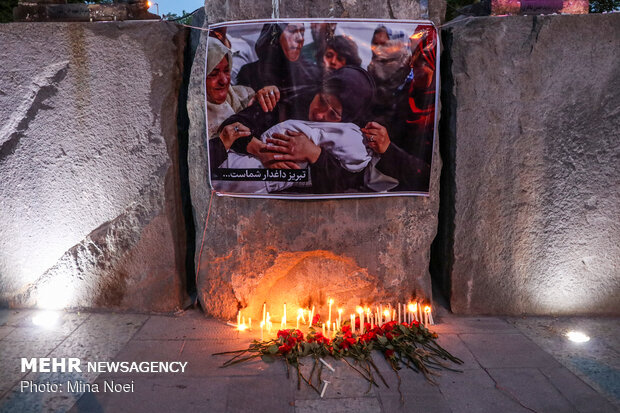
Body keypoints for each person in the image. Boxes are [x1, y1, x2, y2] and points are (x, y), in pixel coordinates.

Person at [212, 66, 396, 194]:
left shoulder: (348, 140)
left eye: (333, 114)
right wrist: (261, 151)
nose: (321, 115)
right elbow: (234, 125)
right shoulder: (282, 103)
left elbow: (344, 184)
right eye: (322, 101)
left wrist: (314, 154)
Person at [361, 25, 438, 192]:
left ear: (435, 61)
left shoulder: (440, 106)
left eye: (421, 60)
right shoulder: (405, 94)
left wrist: (388, 150)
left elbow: (430, 175)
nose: (412, 64)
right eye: (413, 55)